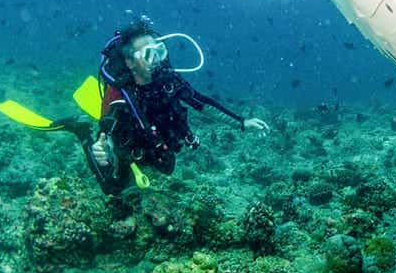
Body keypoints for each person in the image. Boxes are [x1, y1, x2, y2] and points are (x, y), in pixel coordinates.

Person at [87, 19, 269, 195]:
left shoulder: (168, 80)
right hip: (130, 143)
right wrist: (102, 149)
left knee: (166, 167)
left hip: (155, 141)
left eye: (159, 51)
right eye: (148, 54)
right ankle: (82, 133)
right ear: (130, 62)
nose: (156, 60)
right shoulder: (119, 94)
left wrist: (241, 123)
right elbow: (105, 131)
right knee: (113, 189)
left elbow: (201, 102)